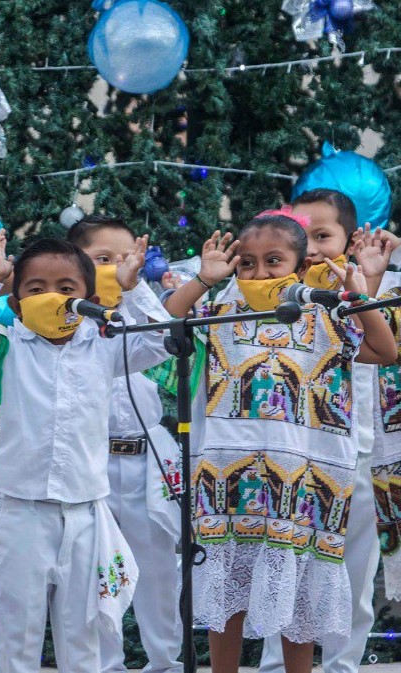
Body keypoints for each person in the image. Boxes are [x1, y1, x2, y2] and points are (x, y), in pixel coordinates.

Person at [163, 212, 397, 673]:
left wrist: (361, 295)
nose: (259, 272)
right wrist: (203, 280)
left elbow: (386, 350)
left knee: (302, 594)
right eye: (246, 263)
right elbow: (167, 319)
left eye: (273, 261)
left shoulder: (328, 312)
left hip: (310, 475)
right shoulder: (223, 312)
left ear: (299, 263)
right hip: (229, 471)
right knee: (227, 584)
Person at [0, 230, 170, 673]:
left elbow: (157, 342)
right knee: (19, 635)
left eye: (66, 289)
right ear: (15, 303)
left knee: (83, 635)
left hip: (86, 513)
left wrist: (132, 289)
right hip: (22, 510)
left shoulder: (104, 345)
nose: (52, 298)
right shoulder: (4, 347)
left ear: (89, 297)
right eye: (36, 289)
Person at [257, 189, 390, 673]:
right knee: (282, 567)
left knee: (352, 571)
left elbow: (381, 347)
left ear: (350, 239)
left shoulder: (364, 288)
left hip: (352, 453)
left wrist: (366, 284)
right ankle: (277, 664)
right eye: (302, 236)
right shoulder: (275, 297)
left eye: (323, 236)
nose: (311, 248)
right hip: (290, 455)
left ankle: (341, 665)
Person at [65, 215, 182, 673]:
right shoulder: (65, 322)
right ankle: (105, 663)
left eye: (125, 257)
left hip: (145, 460)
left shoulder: (134, 308)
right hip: (91, 460)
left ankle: (164, 660)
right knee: (97, 569)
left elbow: (162, 338)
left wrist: (132, 289)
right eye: (102, 259)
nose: (115, 266)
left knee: (157, 567)